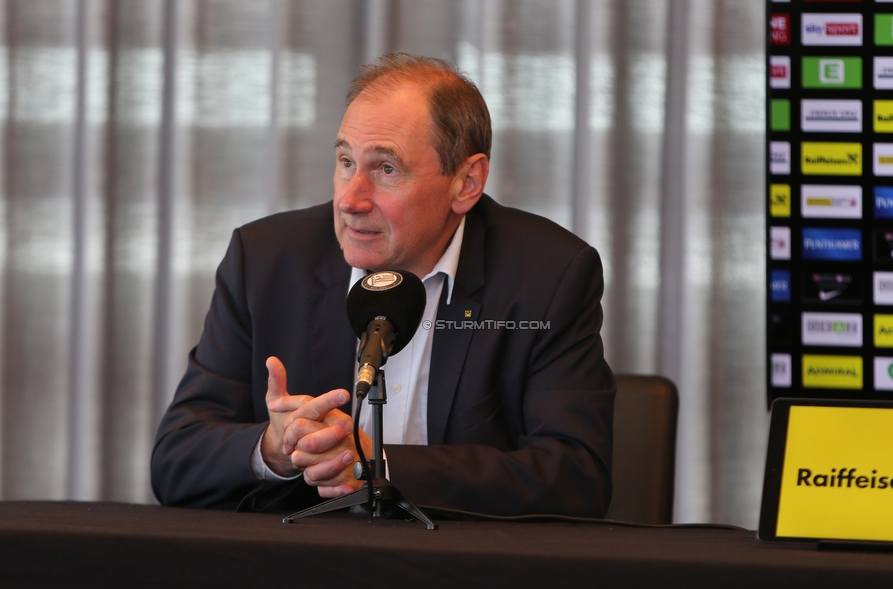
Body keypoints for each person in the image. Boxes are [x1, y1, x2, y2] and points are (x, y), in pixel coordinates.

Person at [151, 52, 615, 517]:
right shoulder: (267, 261)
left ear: (466, 182)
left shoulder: (547, 275)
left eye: (386, 169)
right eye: (346, 161)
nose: (351, 200)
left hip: (468, 571)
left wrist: (379, 466)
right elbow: (176, 461)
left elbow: (576, 475)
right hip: (302, 567)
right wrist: (274, 448)